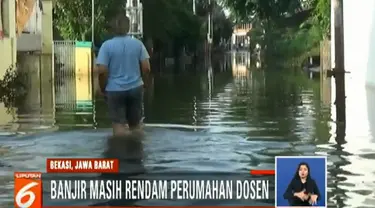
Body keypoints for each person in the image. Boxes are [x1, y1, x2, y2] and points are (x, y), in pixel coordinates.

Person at [96, 13, 151, 136]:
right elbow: (146, 68)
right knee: (136, 125)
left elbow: (102, 71)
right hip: (135, 88)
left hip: (114, 90)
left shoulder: (106, 46)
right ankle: (136, 150)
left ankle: (119, 150)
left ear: (113, 28)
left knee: (118, 125)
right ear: (128, 28)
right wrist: (145, 85)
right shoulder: (138, 44)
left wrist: (103, 88)